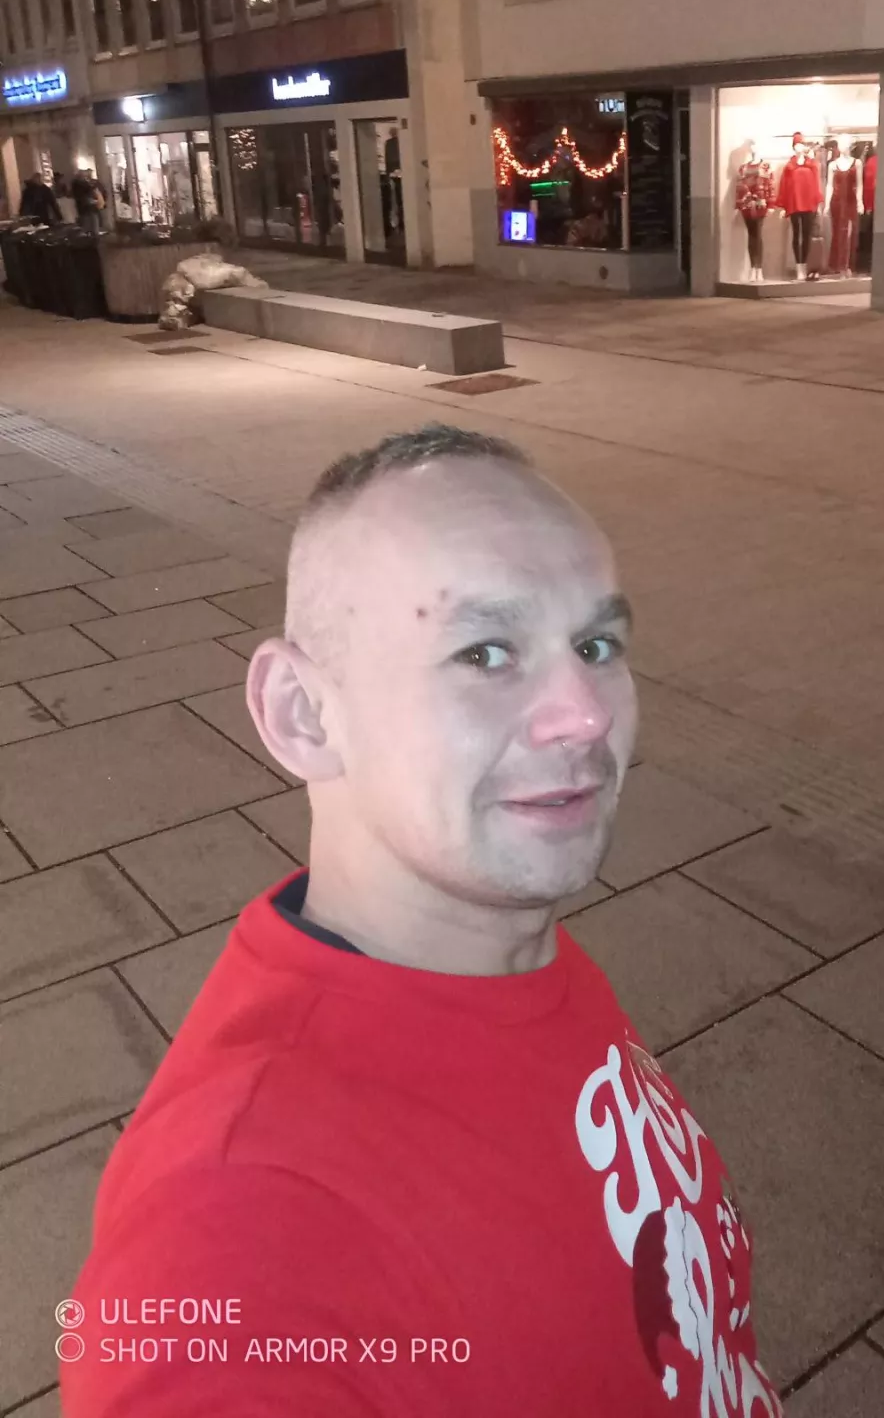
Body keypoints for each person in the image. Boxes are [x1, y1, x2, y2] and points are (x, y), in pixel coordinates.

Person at [63, 424, 780, 1418]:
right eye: (485, 652)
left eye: (596, 646)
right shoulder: (242, 1215)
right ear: (303, 714)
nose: (585, 714)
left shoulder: (498, 946)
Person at [72, 169, 106, 234]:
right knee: (93, 220)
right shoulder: (81, 184)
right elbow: (88, 191)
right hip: (88, 205)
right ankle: (94, 233)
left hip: (85, 206)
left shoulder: (78, 184)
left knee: (89, 220)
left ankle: (90, 232)